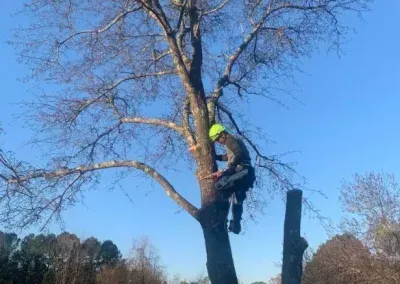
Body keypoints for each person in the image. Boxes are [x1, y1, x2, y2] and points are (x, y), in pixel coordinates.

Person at [209, 123, 256, 234]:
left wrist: (232, 167)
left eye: (217, 139)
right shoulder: (234, 140)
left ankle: (220, 221)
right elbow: (229, 156)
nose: (218, 142)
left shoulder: (229, 139)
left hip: (241, 171)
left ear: (222, 134)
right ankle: (236, 225)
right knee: (237, 199)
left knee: (220, 186)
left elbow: (238, 153)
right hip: (247, 173)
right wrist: (217, 157)